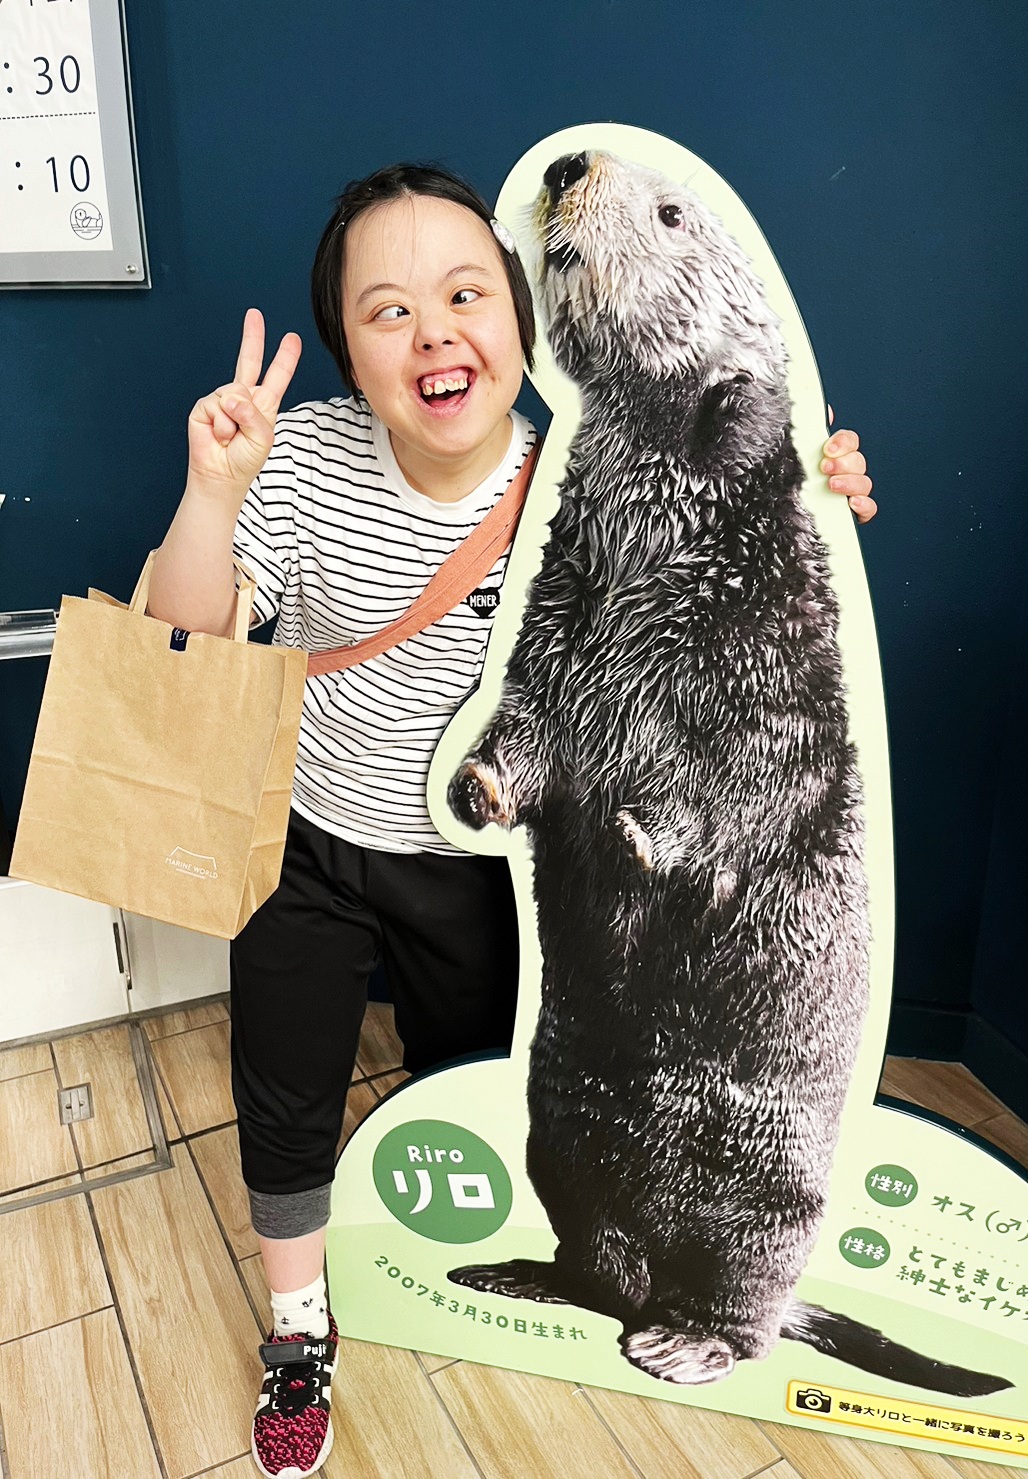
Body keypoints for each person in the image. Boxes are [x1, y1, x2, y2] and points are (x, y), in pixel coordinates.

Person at [149, 162, 874, 1479]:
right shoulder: (299, 460)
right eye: (387, 311)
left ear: (525, 315)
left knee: (481, 1086)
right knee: (284, 1093)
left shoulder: (577, 469)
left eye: (464, 294)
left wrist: (822, 484)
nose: (433, 333)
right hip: (305, 842)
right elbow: (180, 639)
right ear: (348, 354)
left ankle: (464, 1286)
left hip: (479, 880)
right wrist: (213, 490)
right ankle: (298, 1330)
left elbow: (730, 620)